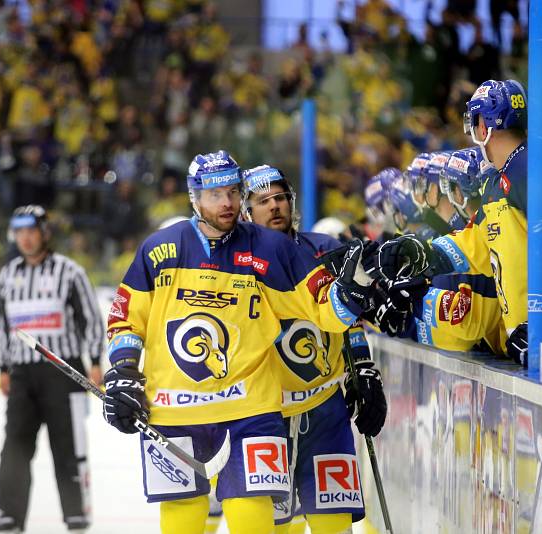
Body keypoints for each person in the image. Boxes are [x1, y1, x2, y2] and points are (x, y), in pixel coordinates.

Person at [100, 151, 373, 534]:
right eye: (214, 195)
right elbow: (125, 319)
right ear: (194, 198)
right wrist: (124, 372)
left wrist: (355, 290)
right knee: (182, 523)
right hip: (174, 412)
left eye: (232, 192)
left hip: (250, 412)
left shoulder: (271, 249)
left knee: (255, 522)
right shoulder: (159, 249)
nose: (226, 203)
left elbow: (323, 310)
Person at [241, 164, 387, 533]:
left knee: (333, 524)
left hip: (324, 409)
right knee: (271, 526)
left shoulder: (326, 250)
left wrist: (363, 371)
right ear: (247, 211)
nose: (274, 206)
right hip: (262, 414)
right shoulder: (234, 263)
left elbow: (350, 319)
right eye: (263, 201)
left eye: (280, 198)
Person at [376, 79, 530, 366]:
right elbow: (476, 246)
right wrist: (420, 256)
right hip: (525, 338)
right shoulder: (500, 182)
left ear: (483, 126)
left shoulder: (523, 168)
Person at [0, 205, 104, 533]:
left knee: (69, 448)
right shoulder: (7, 275)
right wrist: (3, 365)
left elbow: (91, 318)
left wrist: (96, 361)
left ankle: (76, 514)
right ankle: (9, 516)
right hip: (23, 375)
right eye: (19, 232)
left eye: (31, 231)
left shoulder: (69, 272)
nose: (25, 239)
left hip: (64, 373)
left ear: (44, 232)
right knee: (14, 446)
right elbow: (2, 325)